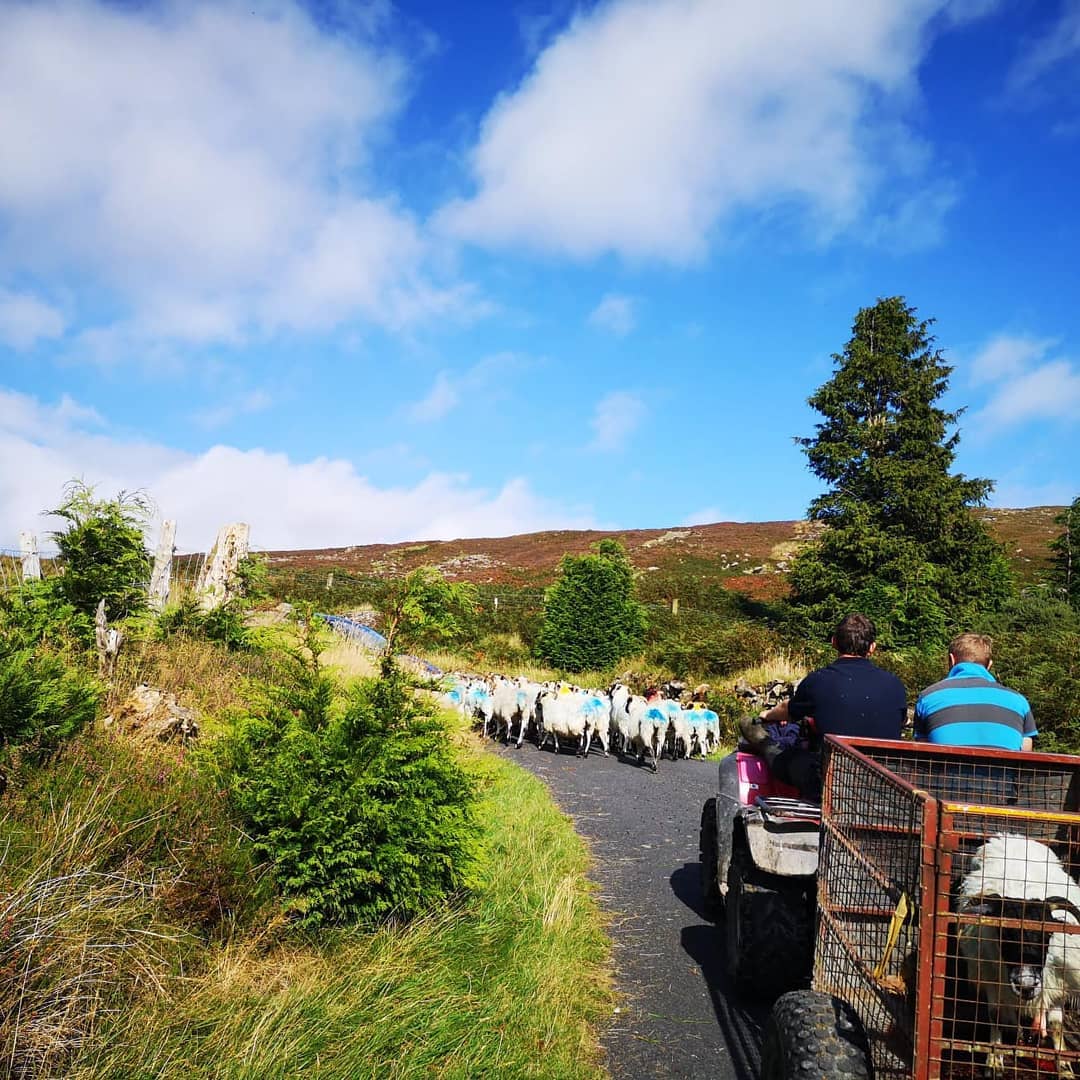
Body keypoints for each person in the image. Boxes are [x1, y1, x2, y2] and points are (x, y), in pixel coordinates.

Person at [739, 613, 907, 800]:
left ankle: (763, 742)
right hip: (884, 782)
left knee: (783, 755)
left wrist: (767, 714)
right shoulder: (895, 685)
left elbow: (789, 711)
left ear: (834, 642)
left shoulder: (818, 681)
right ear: (872, 648)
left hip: (830, 781)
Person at [913, 632, 1035, 751]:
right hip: (1001, 772)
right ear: (989, 665)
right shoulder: (1018, 701)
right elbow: (1026, 749)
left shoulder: (928, 697)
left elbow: (923, 750)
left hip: (948, 771)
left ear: (952, 660)